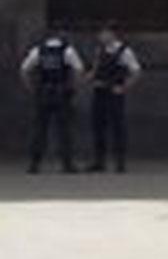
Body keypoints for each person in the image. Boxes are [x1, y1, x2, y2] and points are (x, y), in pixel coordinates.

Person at [18, 30, 84, 175]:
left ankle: (34, 164)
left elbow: (24, 70)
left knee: (40, 129)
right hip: (61, 93)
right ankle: (67, 164)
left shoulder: (38, 50)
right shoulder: (68, 50)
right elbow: (79, 70)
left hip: (43, 93)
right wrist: (72, 88)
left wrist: (32, 88)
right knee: (64, 130)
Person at [88, 24, 143, 174]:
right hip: (100, 91)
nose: (101, 36)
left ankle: (120, 161)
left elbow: (136, 71)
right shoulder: (99, 51)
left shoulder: (124, 51)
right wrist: (91, 78)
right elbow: (95, 69)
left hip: (114, 93)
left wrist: (124, 87)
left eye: (104, 33)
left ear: (112, 34)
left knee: (117, 127)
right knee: (98, 126)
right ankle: (99, 161)